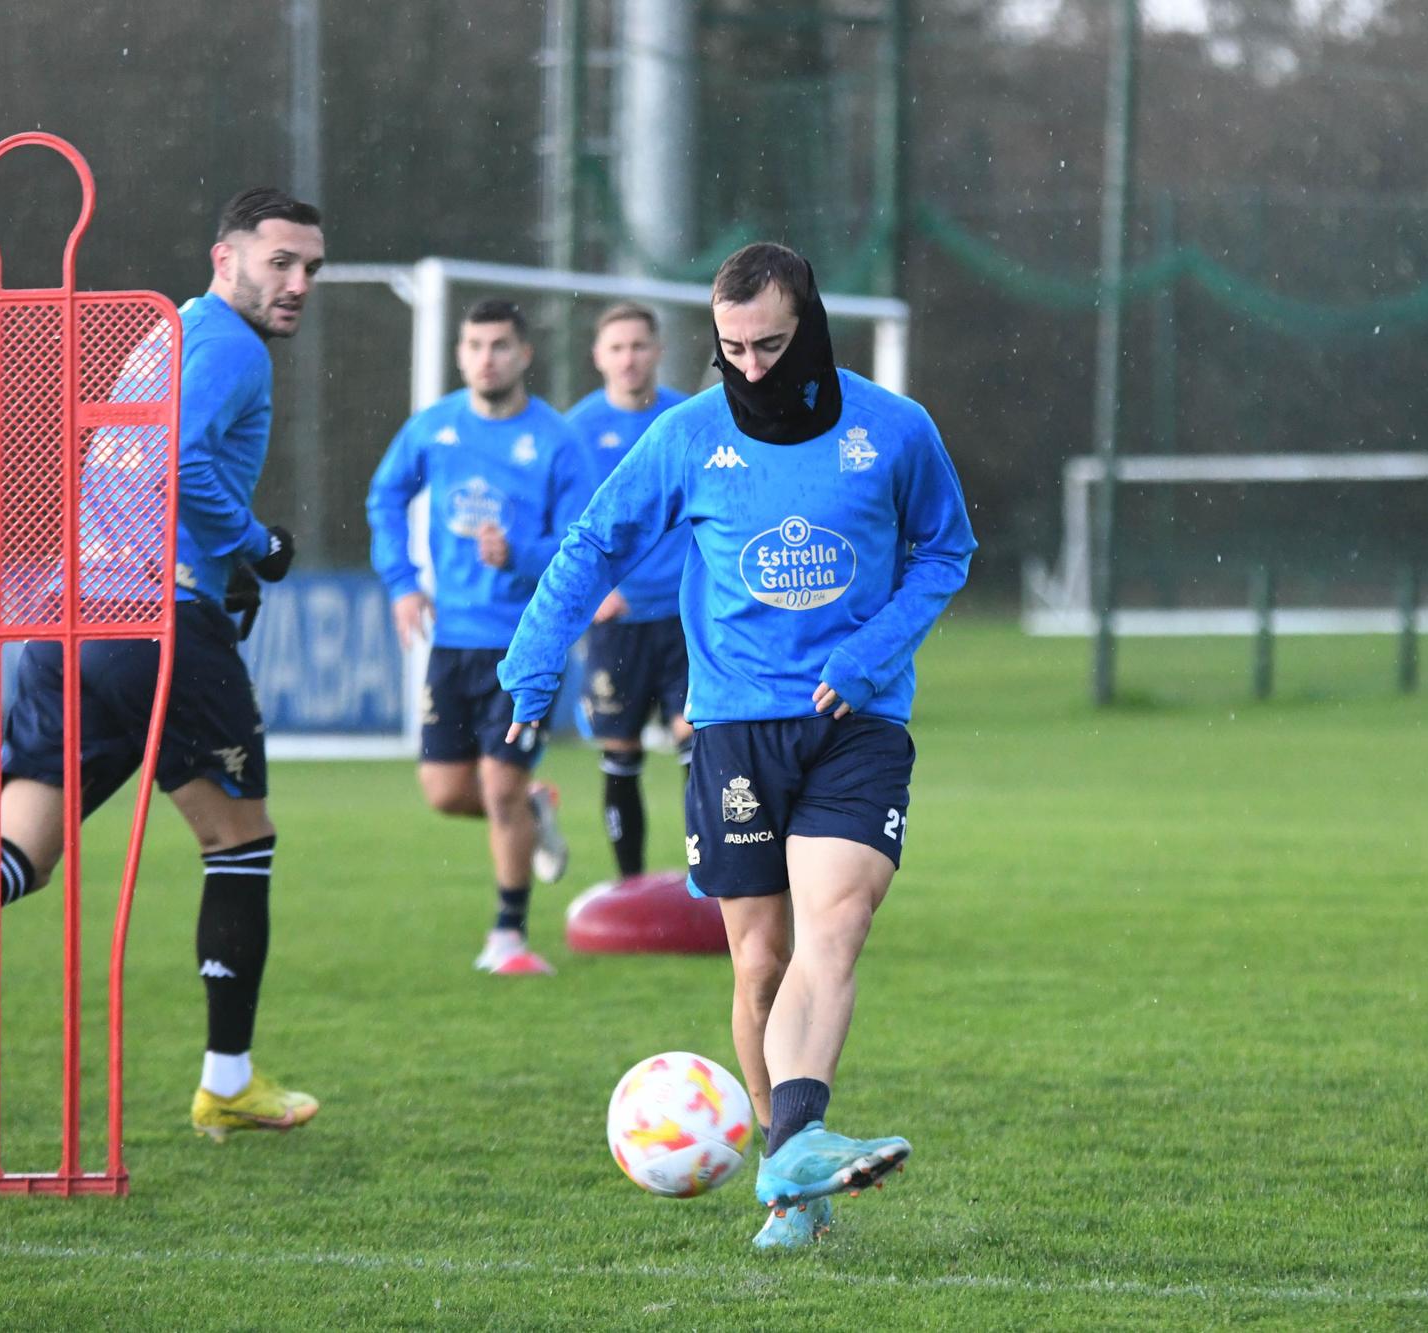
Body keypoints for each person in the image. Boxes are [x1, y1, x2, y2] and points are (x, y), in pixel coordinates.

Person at [0, 187, 328, 1144]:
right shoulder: (229, 345)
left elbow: (133, 461)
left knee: (21, 851)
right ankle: (228, 1079)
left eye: (311, 268)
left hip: (67, 619)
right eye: (281, 262)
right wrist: (259, 547)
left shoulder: (162, 336)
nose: (298, 283)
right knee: (240, 842)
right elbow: (179, 463)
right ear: (224, 260)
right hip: (157, 624)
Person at [500, 243, 975, 1248]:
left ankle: (794, 1146)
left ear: (808, 326)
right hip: (730, 726)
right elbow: (594, 541)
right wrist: (533, 663)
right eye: (730, 350)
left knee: (833, 925)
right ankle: (788, 1176)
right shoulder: (689, 435)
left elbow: (945, 547)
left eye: (767, 344)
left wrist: (869, 650)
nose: (751, 367)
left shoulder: (894, 430)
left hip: (858, 720)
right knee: (758, 960)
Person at [365, 299, 594, 974]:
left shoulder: (555, 442)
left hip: (526, 642)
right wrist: (403, 582)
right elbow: (383, 496)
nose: (484, 357)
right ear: (460, 354)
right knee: (444, 790)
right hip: (454, 638)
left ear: (524, 355)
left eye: (499, 345)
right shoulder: (434, 429)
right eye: (473, 345)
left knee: (495, 784)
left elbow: (583, 546)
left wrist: (519, 553)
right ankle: (532, 807)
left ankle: (509, 936)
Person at [565, 302, 692, 881]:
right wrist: (591, 592)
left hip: (687, 615)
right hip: (616, 620)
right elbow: (558, 523)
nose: (629, 358)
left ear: (658, 351)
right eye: (617, 347)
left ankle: (712, 879)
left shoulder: (686, 421)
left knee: (700, 744)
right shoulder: (577, 432)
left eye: (639, 346)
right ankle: (629, 884)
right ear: (598, 356)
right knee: (620, 753)